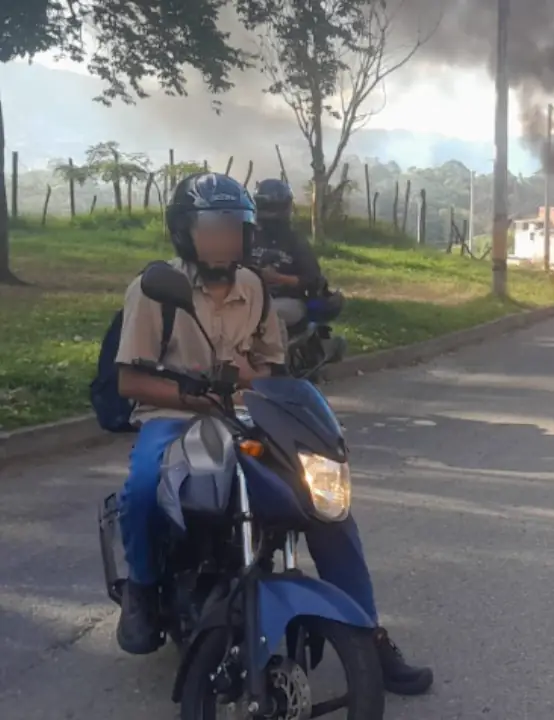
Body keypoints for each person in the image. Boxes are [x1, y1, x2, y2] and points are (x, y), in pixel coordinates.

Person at [113, 172, 433, 696]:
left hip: (246, 415)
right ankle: (143, 593)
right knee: (145, 487)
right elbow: (130, 379)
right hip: (173, 418)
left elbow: (273, 370)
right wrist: (195, 395)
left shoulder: (255, 288)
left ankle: (370, 638)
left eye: (234, 228)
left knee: (323, 505)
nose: (225, 239)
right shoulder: (153, 290)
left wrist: (245, 383)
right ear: (185, 232)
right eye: (212, 227)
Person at [250, 179, 324, 329]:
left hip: (288, 300)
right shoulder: (248, 236)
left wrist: (279, 278)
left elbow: (313, 279)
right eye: (265, 205)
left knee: (267, 314)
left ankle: (273, 352)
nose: (269, 211)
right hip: (251, 298)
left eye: (273, 206)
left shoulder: (295, 240)